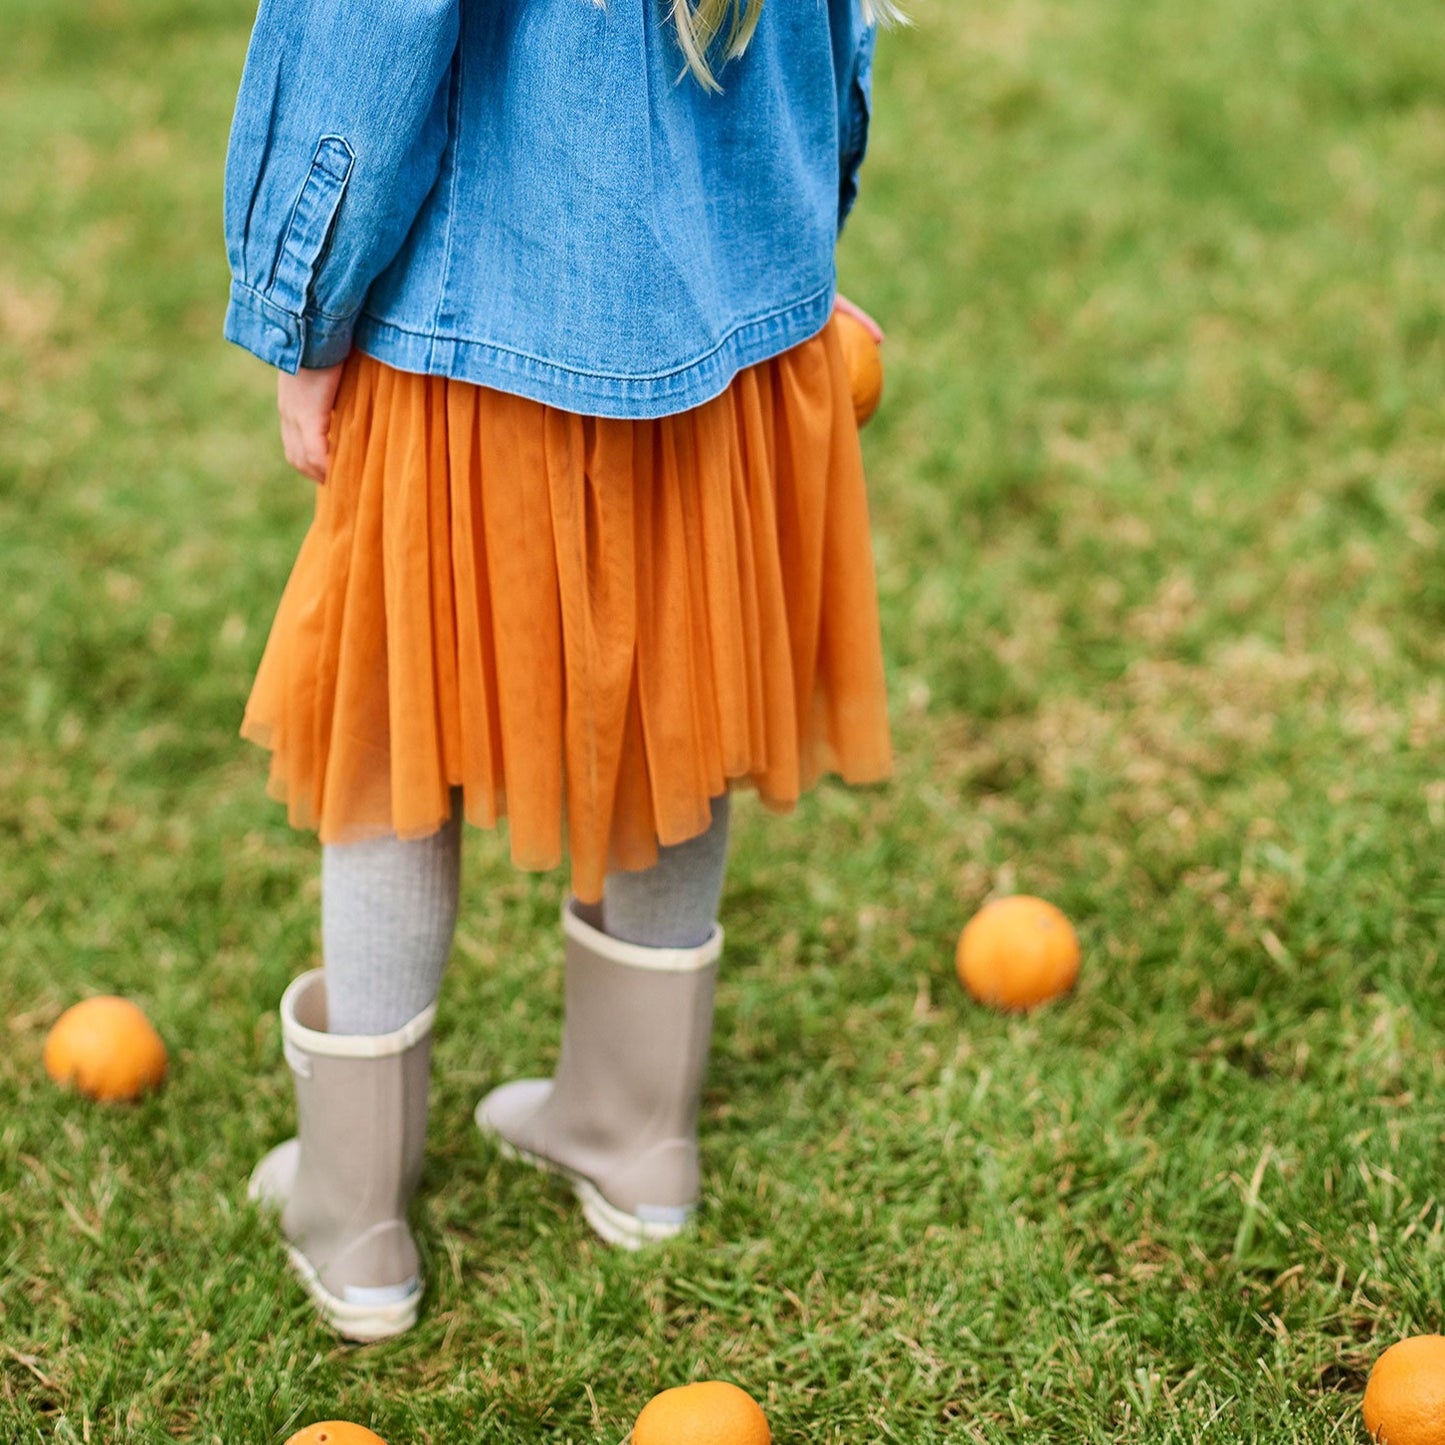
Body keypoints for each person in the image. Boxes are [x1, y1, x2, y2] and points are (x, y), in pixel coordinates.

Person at [223, 0, 897, 1342]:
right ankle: (633, 1131)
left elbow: (365, 37)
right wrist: (788, 238)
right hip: (729, 332)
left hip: (472, 337)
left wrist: (303, 314)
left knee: (393, 728)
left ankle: (356, 1212)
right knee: (679, 693)